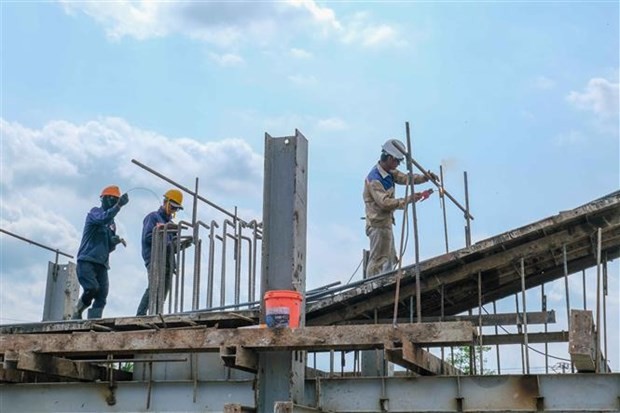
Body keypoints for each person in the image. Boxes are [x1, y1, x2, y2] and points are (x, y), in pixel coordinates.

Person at [363, 138, 438, 277]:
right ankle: (371, 287)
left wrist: (425, 177)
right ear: (390, 158)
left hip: (385, 223)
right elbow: (384, 203)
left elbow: (406, 178)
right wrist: (408, 200)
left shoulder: (389, 172)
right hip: (377, 225)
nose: (398, 164)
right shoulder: (374, 179)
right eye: (397, 161)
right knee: (378, 260)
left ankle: (387, 285)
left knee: (390, 258)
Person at [72, 185, 129, 319]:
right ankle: (78, 310)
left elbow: (108, 247)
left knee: (102, 295)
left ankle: (94, 321)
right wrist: (119, 206)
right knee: (92, 288)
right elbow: (102, 218)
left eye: (116, 200)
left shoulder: (112, 223)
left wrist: (113, 242)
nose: (113, 201)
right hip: (87, 260)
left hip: (102, 263)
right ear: (103, 199)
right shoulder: (95, 212)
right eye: (112, 199)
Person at [136, 189, 184, 316]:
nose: (173, 210)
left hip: (167, 261)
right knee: (154, 287)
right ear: (165, 202)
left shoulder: (171, 224)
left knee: (163, 292)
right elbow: (147, 238)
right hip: (154, 259)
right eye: (172, 207)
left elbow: (171, 247)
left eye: (176, 209)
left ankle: (156, 315)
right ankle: (140, 315)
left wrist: (180, 245)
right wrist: (163, 232)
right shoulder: (153, 217)